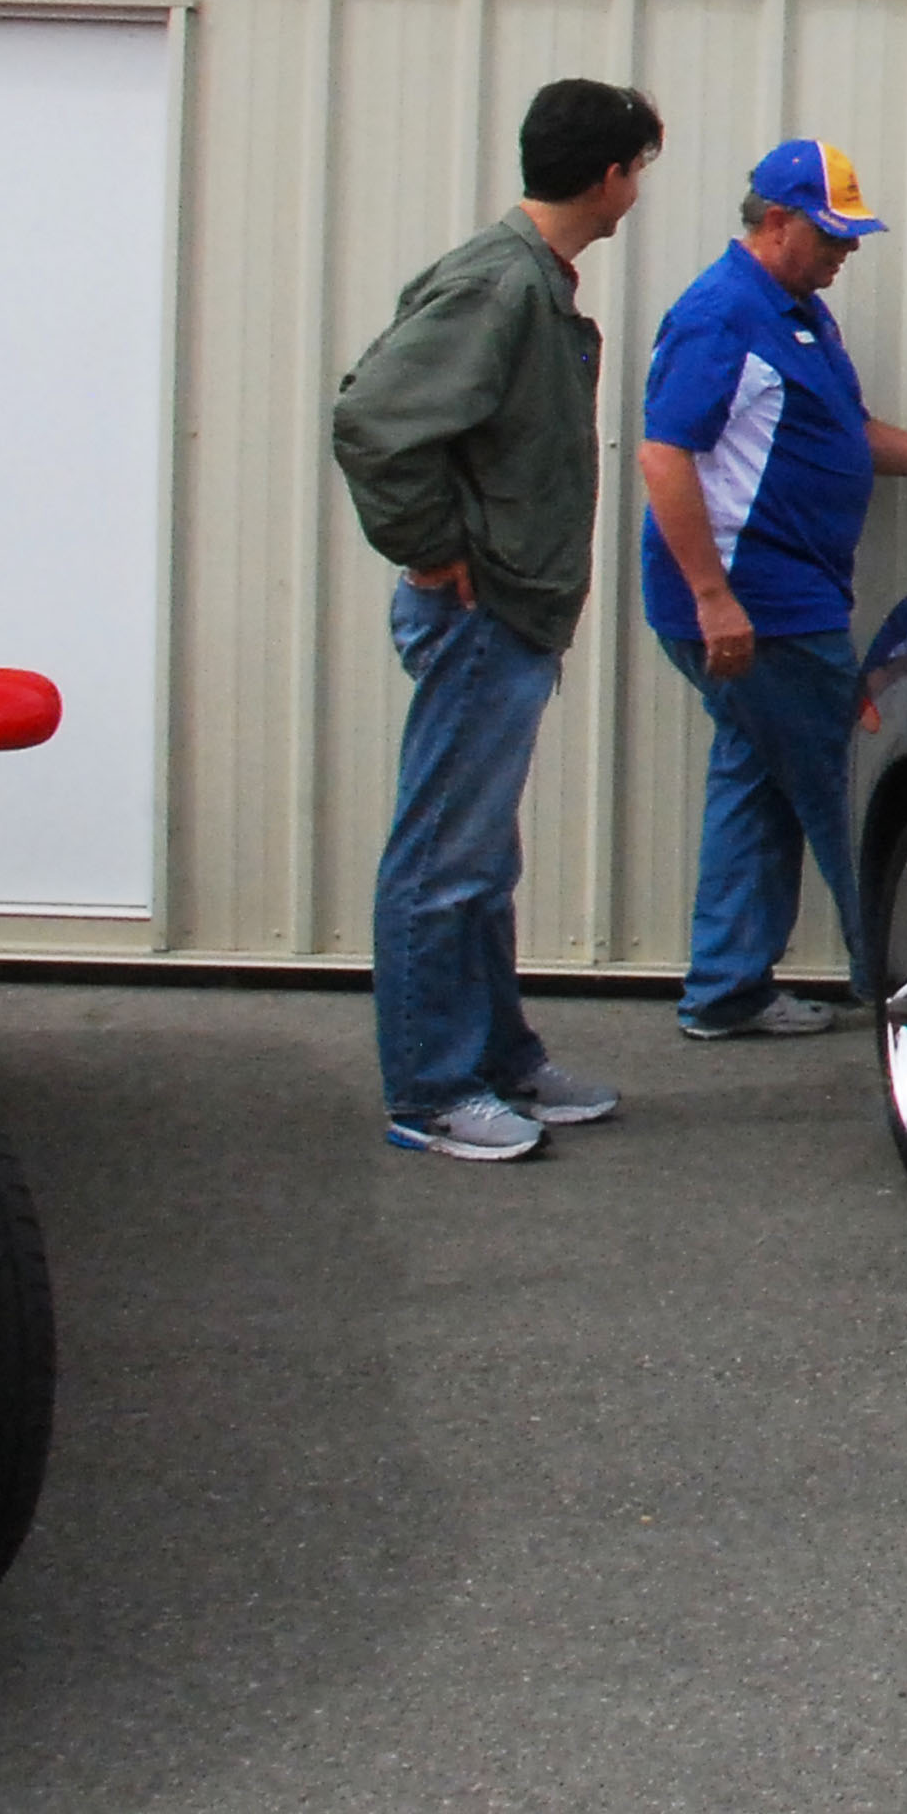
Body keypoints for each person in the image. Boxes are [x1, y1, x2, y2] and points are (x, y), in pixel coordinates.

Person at [330, 78, 666, 1161]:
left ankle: (498, 1059)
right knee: (443, 859)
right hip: (483, 618)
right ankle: (432, 1092)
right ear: (611, 176)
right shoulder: (498, 286)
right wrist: (433, 551)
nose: (636, 194)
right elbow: (376, 419)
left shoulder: (529, 280)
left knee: (481, 858)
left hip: (512, 615)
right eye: (637, 173)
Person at [637, 139, 907, 1042]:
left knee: (755, 783)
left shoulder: (798, 312)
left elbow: (841, 430)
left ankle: (726, 989)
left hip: (774, 603)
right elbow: (662, 453)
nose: (848, 252)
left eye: (853, 236)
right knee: (850, 793)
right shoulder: (723, 314)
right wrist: (715, 600)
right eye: (833, 236)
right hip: (760, 609)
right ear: (777, 224)